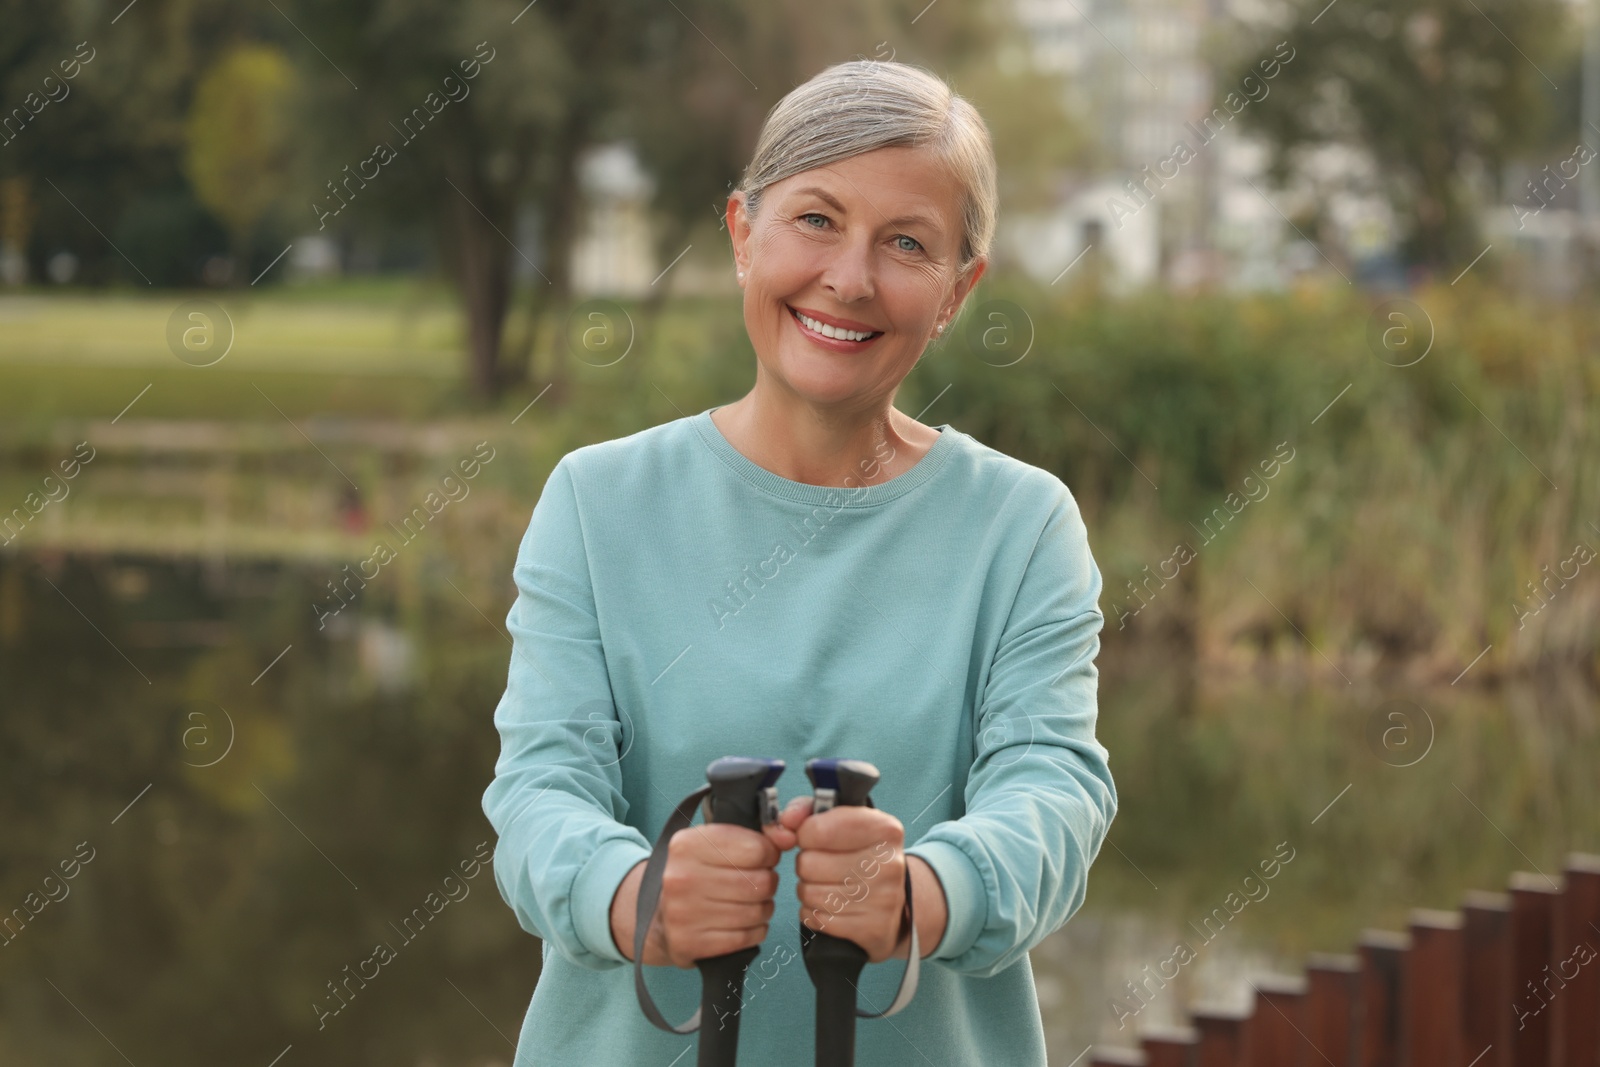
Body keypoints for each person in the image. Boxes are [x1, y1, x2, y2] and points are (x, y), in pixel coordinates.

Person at [481, 58, 1117, 1066]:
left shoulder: (1022, 525)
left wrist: (920, 892)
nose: (850, 277)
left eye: (906, 242)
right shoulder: (595, 502)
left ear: (958, 290)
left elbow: (1053, 794)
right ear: (742, 232)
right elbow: (539, 791)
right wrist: (635, 898)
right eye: (815, 219)